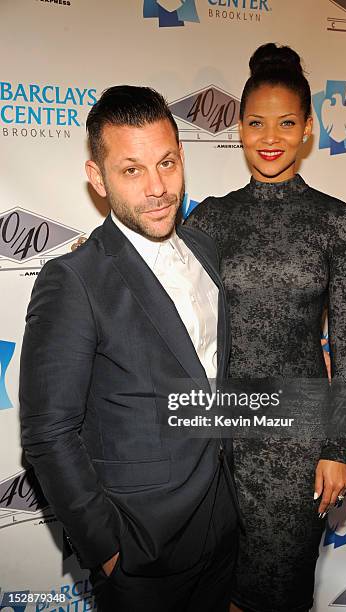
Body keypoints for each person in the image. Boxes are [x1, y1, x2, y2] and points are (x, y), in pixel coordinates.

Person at [19, 85, 239, 612]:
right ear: (98, 177)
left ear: (183, 156)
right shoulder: (73, 278)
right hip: (141, 550)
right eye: (132, 170)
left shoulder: (205, 249)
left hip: (223, 524)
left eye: (166, 162)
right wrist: (108, 549)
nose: (158, 187)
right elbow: (48, 432)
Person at [186, 43, 346, 612]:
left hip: (296, 443)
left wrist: (337, 448)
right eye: (257, 122)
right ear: (238, 127)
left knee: (278, 593)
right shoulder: (212, 216)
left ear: (308, 129)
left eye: (287, 123)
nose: (270, 136)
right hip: (218, 441)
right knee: (218, 587)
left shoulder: (336, 222)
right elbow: (162, 297)